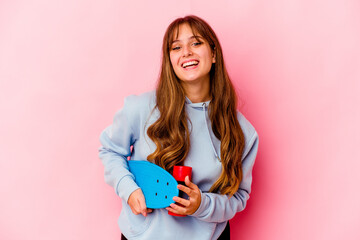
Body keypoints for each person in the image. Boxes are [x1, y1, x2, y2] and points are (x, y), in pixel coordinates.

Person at [99, 15, 259, 240]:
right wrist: (129, 189)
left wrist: (202, 205)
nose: (186, 52)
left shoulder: (243, 131)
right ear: (170, 60)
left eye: (196, 43)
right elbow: (110, 150)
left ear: (213, 54)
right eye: (176, 47)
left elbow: (239, 197)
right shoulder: (141, 108)